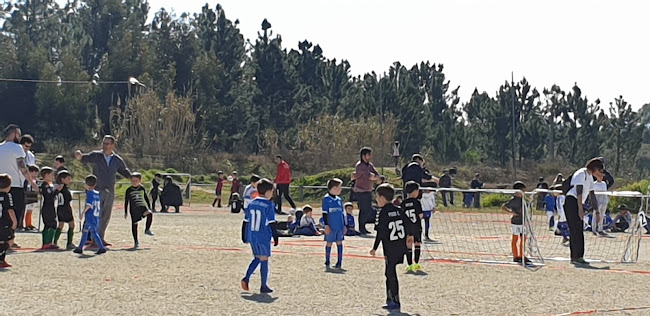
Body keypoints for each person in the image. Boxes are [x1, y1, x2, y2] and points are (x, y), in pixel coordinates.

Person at [75, 135, 131, 246]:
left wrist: (132, 177)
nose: (105, 146)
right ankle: (88, 238)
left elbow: (124, 171)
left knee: (106, 216)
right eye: (104, 143)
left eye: (107, 143)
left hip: (110, 190)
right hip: (96, 190)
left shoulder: (117, 160)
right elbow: (84, 158)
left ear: (113, 145)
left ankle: (100, 238)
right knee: (94, 214)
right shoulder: (96, 156)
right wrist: (79, 156)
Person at [370, 183, 413, 311]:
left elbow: (380, 233)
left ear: (382, 197)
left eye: (377, 197)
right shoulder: (399, 210)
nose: (376, 200)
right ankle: (390, 299)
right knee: (390, 272)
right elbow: (409, 224)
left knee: (390, 273)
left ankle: (394, 300)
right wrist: (410, 237)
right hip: (400, 246)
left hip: (390, 248)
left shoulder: (382, 213)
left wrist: (374, 248)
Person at [564, 158, 605, 265]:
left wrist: (597, 211)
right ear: (595, 168)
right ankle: (574, 256)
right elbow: (579, 192)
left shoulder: (590, 177)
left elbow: (592, 194)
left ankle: (580, 256)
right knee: (574, 230)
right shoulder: (581, 173)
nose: (600, 173)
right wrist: (580, 209)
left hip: (579, 203)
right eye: (600, 170)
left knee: (579, 229)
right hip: (572, 202)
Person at [0, 125, 38, 238]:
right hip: (15, 185)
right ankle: (9, 238)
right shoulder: (17, 148)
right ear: (15, 134)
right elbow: (22, 168)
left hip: (2, 184)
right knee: (15, 214)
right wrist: (32, 183)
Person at [240, 178, 277, 294]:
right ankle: (263, 285)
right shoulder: (268, 205)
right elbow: (272, 223)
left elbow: (245, 221)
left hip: (252, 235)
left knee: (257, 257)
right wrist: (276, 236)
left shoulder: (252, 203)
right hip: (263, 235)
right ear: (268, 192)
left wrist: (244, 236)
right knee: (264, 259)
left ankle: (246, 278)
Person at [74, 175, 107, 255]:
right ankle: (80, 248)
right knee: (85, 231)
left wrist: (82, 212)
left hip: (90, 216)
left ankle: (102, 247)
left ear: (86, 184)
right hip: (96, 216)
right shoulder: (97, 193)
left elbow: (89, 205)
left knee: (93, 232)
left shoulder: (90, 193)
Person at [353, 147, 380, 234]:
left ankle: (363, 226)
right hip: (361, 191)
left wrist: (376, 177)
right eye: (368, 154)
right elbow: (369, 176)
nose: (370, 156)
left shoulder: (369, 165)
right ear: (363, 156)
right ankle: (361, 227)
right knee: (363, 209)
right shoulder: (360, 166)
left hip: (368, 190)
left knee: (368, 209)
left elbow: (376, 174)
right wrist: (375, 177)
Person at [502, 181, 530, 264]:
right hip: (516, 222)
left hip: (523, 221)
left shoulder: (523, 200)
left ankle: (522, 255)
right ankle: (515, 256)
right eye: (522, 191)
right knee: (515, 238)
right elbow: (504, 207)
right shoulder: (513, 200)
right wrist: (512, 213)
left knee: (523, 239)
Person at [124, 173, 154, 249]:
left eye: (136, 180)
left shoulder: (142, 188)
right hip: (134, 209)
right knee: (134, 224)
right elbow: (126, 201)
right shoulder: (129, 190)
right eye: (133, 180)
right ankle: (136, 241)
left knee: (149, 214)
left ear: (140, 180)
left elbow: (146, 198)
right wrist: (125, 211)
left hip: (142, 207)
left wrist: (149, 207)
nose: (134, 182)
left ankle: (147, 229)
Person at [322, 178, 346, 270]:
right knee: (329, 242)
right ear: (335, 188)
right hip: (331, 226)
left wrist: (344, 225)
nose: (341, 189)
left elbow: (342, 214)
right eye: (340, 187)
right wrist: (326, 225)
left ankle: (339, 261)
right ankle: (327, 260)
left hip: (339, 225)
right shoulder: (326, 199)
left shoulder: (339, 200)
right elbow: (324, 213)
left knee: (339, 242)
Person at [402, 181, 423, 272]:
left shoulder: (403, 203)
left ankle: (409, 264)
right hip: (416, 226)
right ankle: (417, 263)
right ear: (415, 191)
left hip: (407, 227)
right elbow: (420, 215)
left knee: (409, 244)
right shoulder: (417, 202)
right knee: (417, 243)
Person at [54, 170, 75, 250]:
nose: (69, 180)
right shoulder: (64, 187)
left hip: (60, 207)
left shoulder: (58, 187)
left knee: (61, 224)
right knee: (71, 224)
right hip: (65, 207)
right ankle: (69, 243)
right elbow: (68, 198)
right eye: (68, 178)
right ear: (62, 179)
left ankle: (55, 241)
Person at [39, 167, 59, 249]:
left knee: (52, 223)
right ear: (46, 175)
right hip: (47, 207)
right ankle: (47, 243)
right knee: (49, 224)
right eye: (51, 174)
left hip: (51, 206)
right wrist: (56, 191)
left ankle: (48, 242)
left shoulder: (49, 185)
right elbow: (49, 196)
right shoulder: (44, 185)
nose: (53, 176)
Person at [0, 174, 17, 268]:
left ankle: (1, 260)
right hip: (4, 222)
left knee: (1, 241)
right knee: (10, 240)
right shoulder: (7, 196)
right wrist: (14, 221)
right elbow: (10, 209)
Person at [23, 165, 39, 231]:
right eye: (33, 172)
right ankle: (26, 224)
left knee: (30, 211)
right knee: (27, 211)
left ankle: (29, 224)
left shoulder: (36, 181)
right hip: (27, 198)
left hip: (33, 198)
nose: (35, 174)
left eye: (36, 172)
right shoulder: (26, 180)